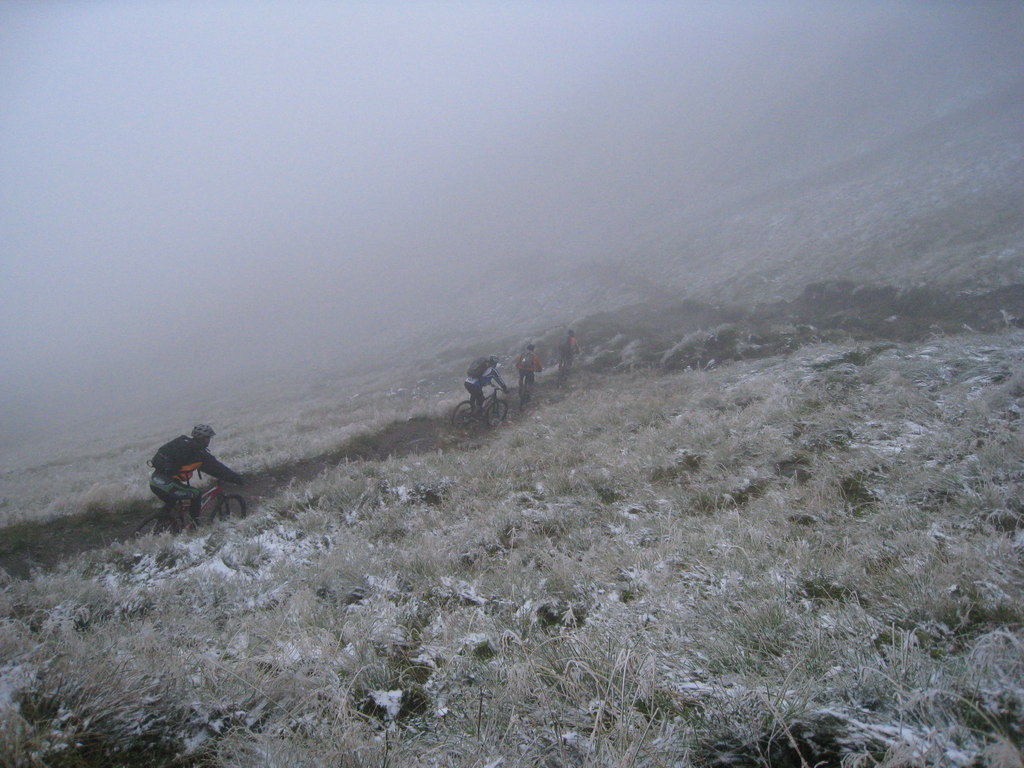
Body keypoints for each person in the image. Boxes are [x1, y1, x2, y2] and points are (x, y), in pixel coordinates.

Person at [149, 424, 245, 524]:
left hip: (155, 481)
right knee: (196, 494)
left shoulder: (183, 443)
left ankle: (163, 522)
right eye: (208, 438)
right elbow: (217, 469)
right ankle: (194, 525)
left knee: (172, 501)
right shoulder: (198, 453)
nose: (209, 440)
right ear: (202, 438)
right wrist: (237, 479)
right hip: (166, 484)